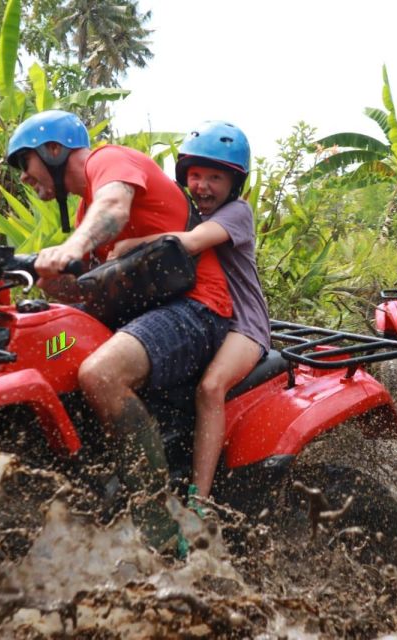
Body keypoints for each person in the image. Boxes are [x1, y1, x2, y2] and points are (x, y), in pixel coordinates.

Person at [4, 110, 233, 549]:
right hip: (145, 315)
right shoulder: (85, 213)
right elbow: (86, 282)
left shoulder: (109, 161)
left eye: (25, 164)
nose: (24, 178)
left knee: (100, 374)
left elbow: (114, 207)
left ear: (54, 150)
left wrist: (71, 248)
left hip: (197, 307)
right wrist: (48, 279)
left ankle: (162, 532)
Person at [109, 121, 269, 503]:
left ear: (234, 184)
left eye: (215, 177)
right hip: (207, 316)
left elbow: (193, 243)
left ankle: (200, 497)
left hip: (244, 325)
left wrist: (130, 242)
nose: (203, 185)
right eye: (195, 175)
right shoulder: (187, 213)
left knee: (211, 388)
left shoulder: (236, 214)